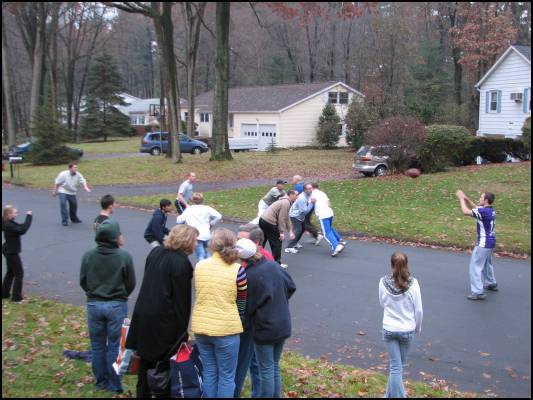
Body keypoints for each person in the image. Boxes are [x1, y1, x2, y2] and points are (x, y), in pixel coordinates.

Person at [126, 225, 198, 398]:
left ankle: (142, 393)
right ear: (187, 242)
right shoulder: (182, 263)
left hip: (143, 314)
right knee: (164, 368)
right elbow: (182, 302)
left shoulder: (156, 252)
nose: (197, 244)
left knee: (144, 363)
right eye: (195, 240)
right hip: (164, 321)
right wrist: (182, 333)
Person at [80, 219, 136, 394]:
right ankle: (114, 383)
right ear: (114, 237)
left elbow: (83, 280)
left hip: (94, 304)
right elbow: (131, 282)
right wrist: (121, 294)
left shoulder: (88, 256)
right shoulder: (124, 257)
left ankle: (100, 380)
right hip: (116, 304)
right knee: (114, 345)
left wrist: (93, 293)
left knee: (97, 345)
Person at [191, 228, 247, 398]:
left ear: (212, 244)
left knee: (209, 372)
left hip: (201, 326)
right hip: (226, 329)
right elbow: (242, 303)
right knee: (227, 376)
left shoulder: (200, 266)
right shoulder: (238, 270)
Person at [244, 239, 296, 398]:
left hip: (264, 328)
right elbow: (291, 286)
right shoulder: (273, 265)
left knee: (265, 368)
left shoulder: (249, 276)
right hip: (283, 323)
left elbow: (247, 307)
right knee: (273, 366)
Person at [379, 252, 423, 398]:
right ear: (406, 265)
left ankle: (388, 396)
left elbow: (382, 303)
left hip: (389, 329)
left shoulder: (383, 282)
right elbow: (418, 310)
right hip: (406, 330)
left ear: (391, 265)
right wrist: (418, 327)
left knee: (395, 366)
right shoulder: (414, 284)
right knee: (398, 366)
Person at [456, 190, 498, 300]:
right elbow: (475, 207)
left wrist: (461, 199)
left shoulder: (484, 212)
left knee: (475, 266)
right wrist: (466, 198)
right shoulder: (490, 210)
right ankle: (491, 283)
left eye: (481, 197)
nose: (479, 199)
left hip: (483, 243)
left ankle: (478, 292)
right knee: (486, 263)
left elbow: (465, 211)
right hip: (491, 241)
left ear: (486, 200)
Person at [176, 192, 222, 263]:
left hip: (195, 236)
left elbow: (179, 220)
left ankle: (203, 268)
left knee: (201, 255)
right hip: (206, 234)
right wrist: (211, 224)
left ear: (193, 200)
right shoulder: (207, 208)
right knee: (207, 252)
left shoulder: (189, 209)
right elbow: (219, 216)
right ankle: (211, 264)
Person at [259, 190, 298, 267]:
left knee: (263, 240)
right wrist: (281, 232)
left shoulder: (284, 201)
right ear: (291, 195)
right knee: (277, 242)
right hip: (269, 222)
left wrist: (290, 231)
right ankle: (277, 264)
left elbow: (286, 217)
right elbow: (282, 218)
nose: (298, 196)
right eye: (296, 195)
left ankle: (257, 258)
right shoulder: (286, 203)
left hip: (263, 220)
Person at [2, 205, 32, 303]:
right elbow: (22, 230)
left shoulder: (8, 222)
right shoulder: (8, 224)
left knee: (10, 272)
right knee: (19, 273)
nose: (16, 214)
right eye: (15, 212)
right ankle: (16, 297)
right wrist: (29, 216)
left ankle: (4, 293)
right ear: (9, 214)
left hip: (9, 250)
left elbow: (19, 227)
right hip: (11, 252)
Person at [311, 183, 346, 257]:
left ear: (312, 188)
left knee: (326, 233)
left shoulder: (312, 194)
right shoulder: (322, 193)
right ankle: (340, 241)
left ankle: (336, 246)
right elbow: (329, 203)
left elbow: (310, 203)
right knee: (330, 228)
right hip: (330, 212)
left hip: (323, 215)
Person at [285, 183, 317, 254]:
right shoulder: (302, 198)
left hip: (300, 216)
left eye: (311, 188)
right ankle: (289, 247)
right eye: (308, 189)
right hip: (295, 215)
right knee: (298, 230)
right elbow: (304, 211)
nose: (310, 190)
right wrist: (312, 204)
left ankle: (294, 243)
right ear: (305, 190)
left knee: (302, 229)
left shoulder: (309, 194)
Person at [291, 176, 322, 246]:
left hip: (306, 207)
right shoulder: (303, 185)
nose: (291, 180)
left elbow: (297, 198)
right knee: (306, 222)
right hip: (310, 206)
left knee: (304, 223)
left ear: (296, 180)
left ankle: (317, 235)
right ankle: (316, 235)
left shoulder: (298, 187)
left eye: (293, 179)